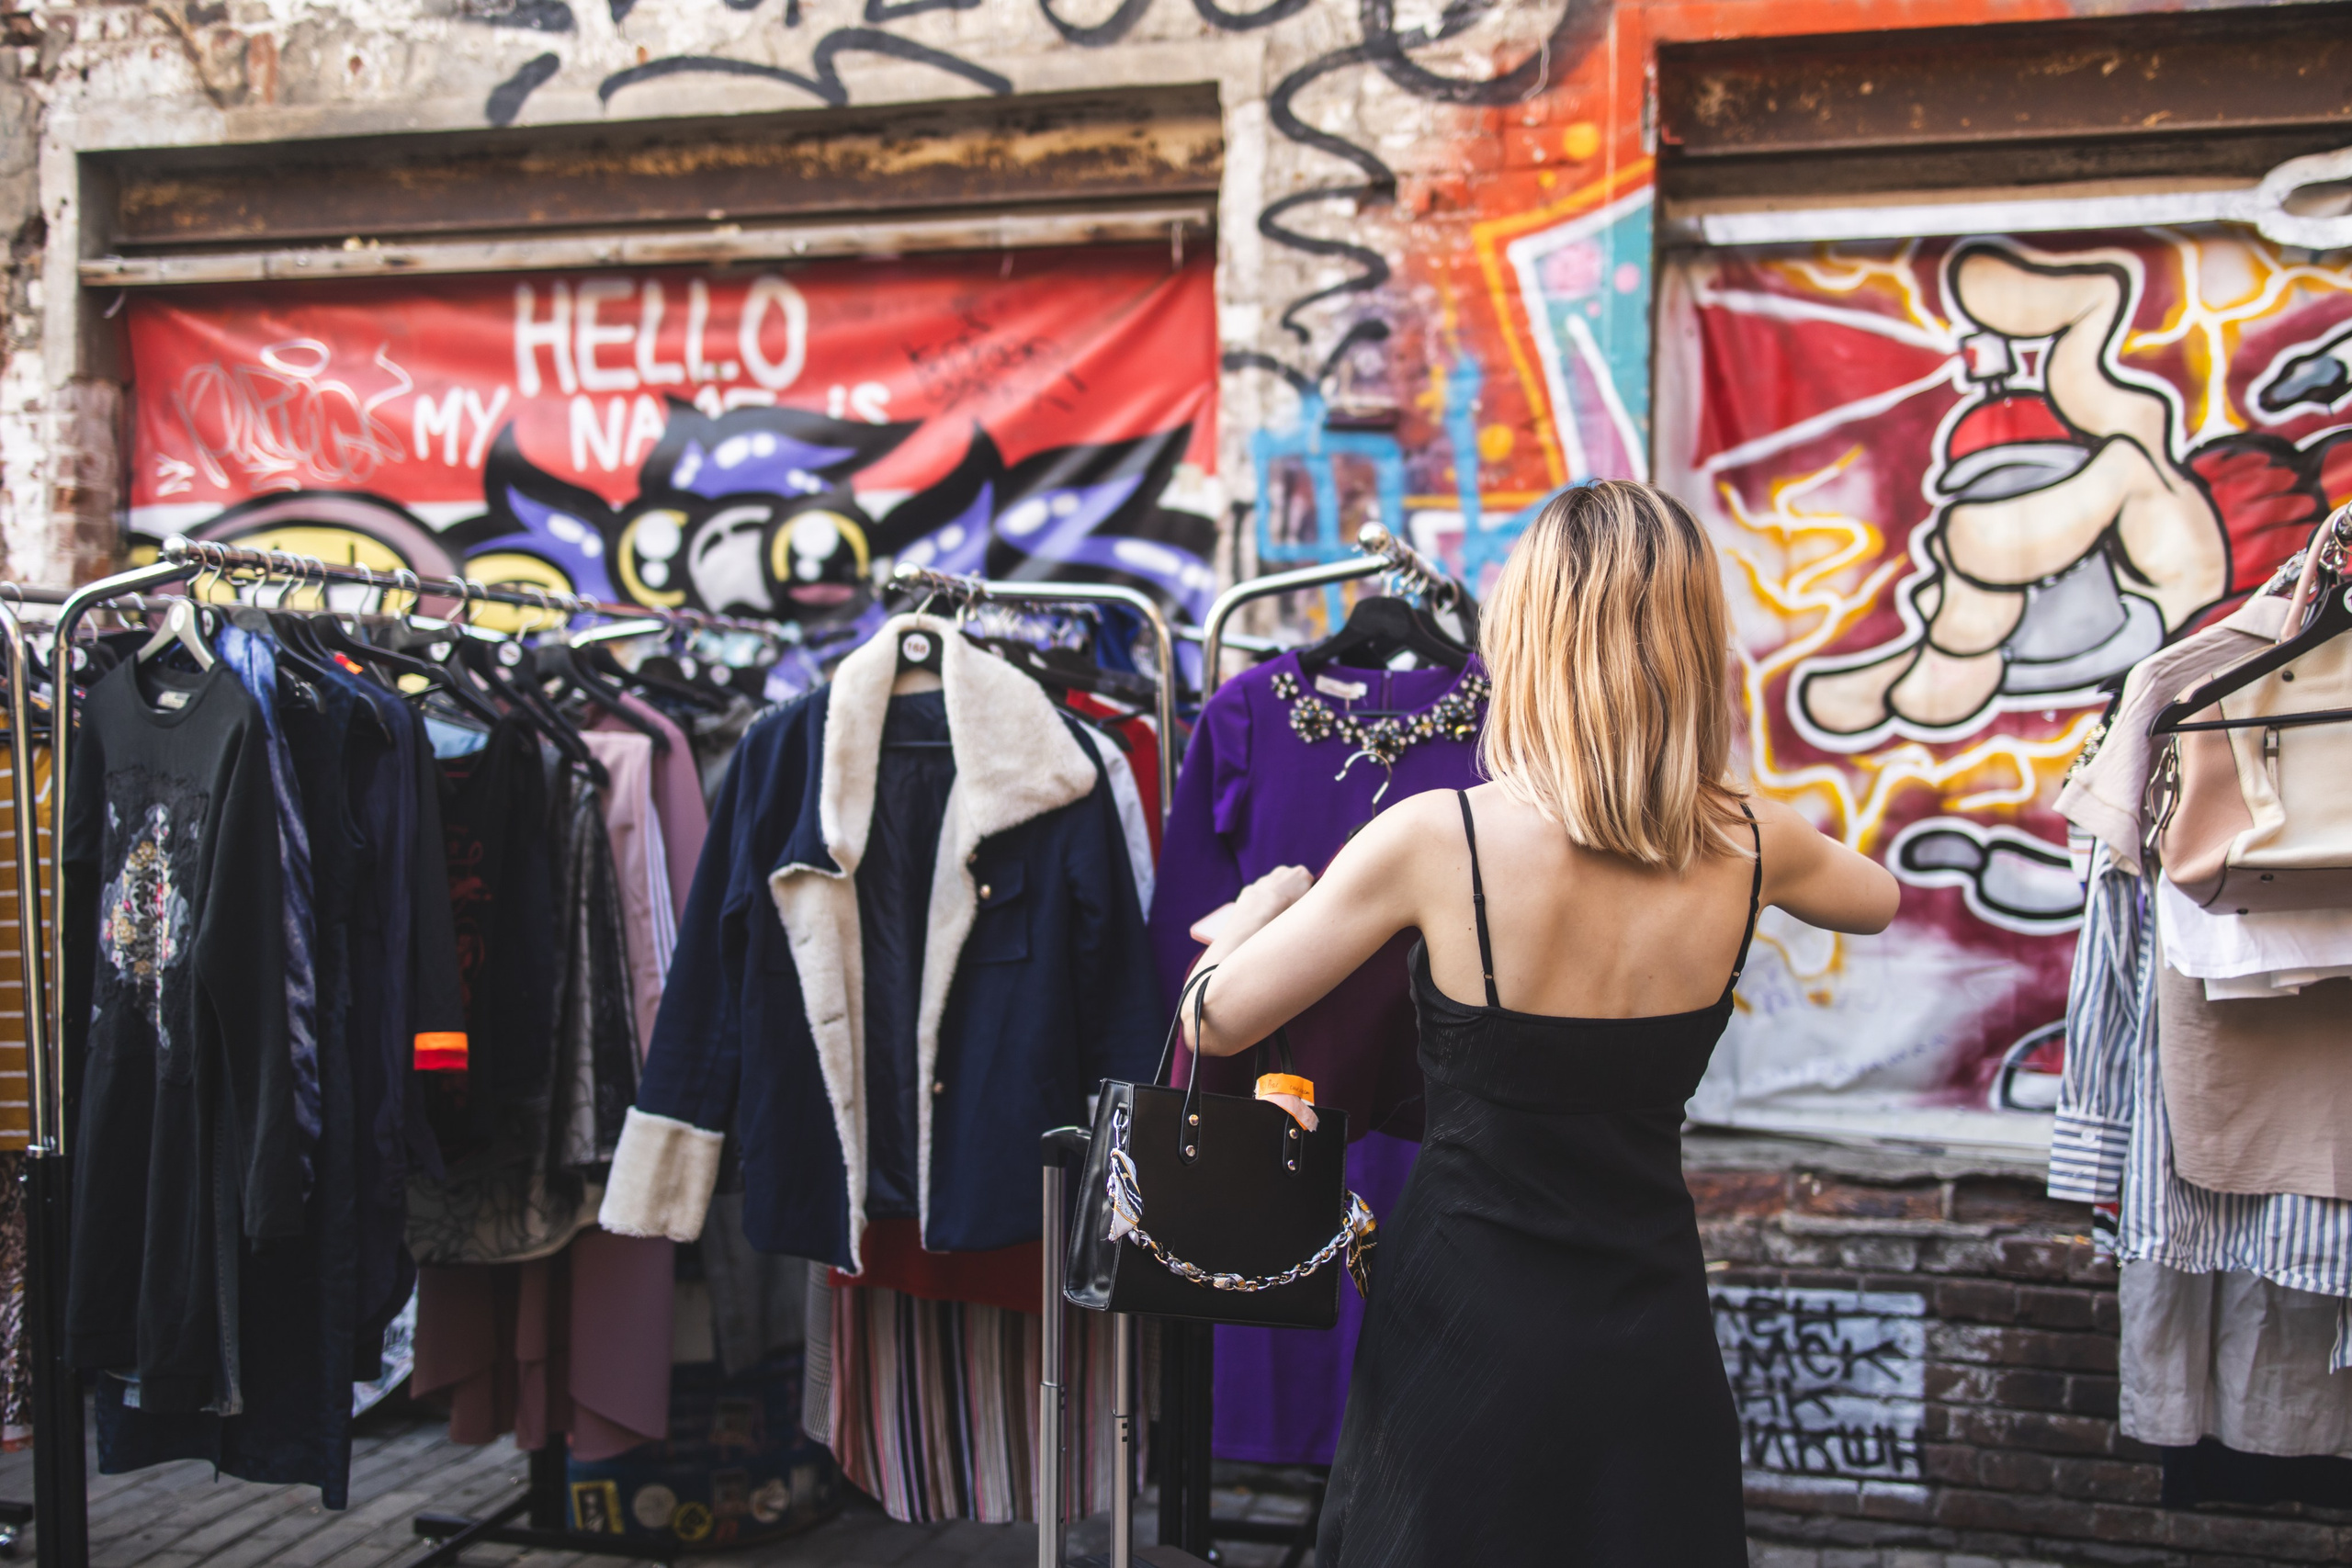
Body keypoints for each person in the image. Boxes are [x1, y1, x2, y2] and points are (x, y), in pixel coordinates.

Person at [1180, 479, 1899, 1565]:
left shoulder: (1436, 838)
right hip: (1648, 1322)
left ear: (1531, 639)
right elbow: (1879, 898)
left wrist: (1247, 917)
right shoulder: (1757, 842)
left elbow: (1215, 1024)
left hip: (1460, 1324)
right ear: (1692, 646)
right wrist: (1733, 813)